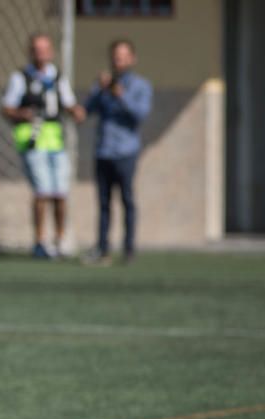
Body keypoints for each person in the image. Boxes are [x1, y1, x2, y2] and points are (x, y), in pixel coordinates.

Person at [1, 32, 85, 259]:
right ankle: (39, 241)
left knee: (60, 192)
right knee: (42, 191)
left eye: (45, 49)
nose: (41, 53)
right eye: (37, 49)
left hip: (55, 140)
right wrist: (21, 113)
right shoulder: (20, 77)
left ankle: (60, 240)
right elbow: (6, 108)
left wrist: (76, 111)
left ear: (51, 52)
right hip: (32, 139)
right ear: (31, 52)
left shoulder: (58, 77)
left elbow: (68, 103)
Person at [83, 38, 152, 265]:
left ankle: (129, 249)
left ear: (132, 59)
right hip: (104, 151)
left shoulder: (140, 86)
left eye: (123, 57)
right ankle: (103, 248)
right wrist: (98, 92)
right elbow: (86, 111)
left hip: (126, 151)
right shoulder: (103, 85)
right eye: (115, 56)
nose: (118, 61)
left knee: (127, 200)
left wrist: (119, 94)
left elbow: (139, 115)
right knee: (103, 203)